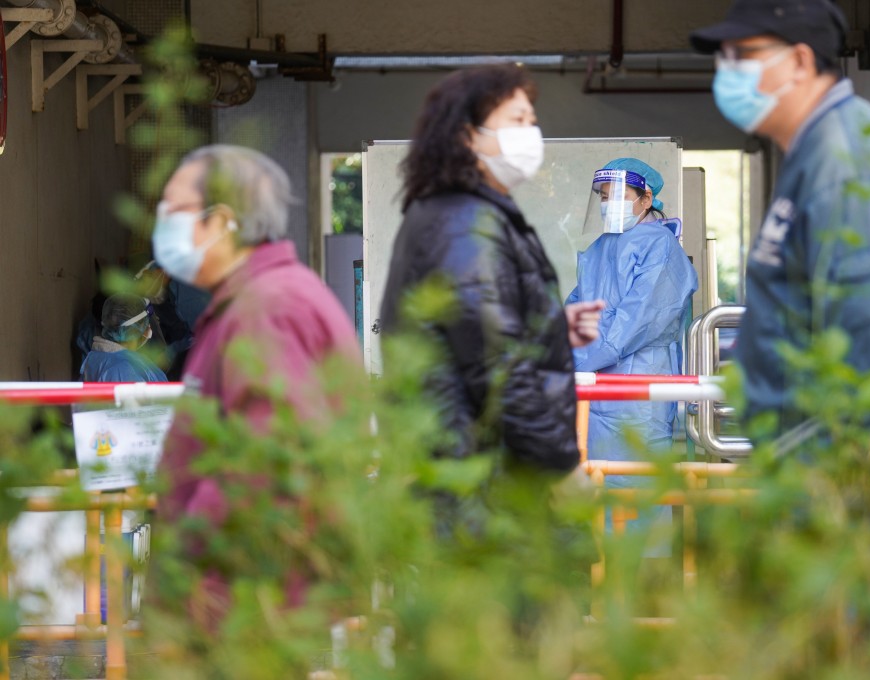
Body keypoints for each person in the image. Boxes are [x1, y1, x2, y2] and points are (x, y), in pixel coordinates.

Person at [689, 0, 870, 440]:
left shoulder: (847, 162)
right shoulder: (815, 153)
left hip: (845, 464)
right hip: (808, 455)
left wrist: (848, 475)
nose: (726, 70)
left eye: (742, 54)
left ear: (800, 61)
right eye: (723, 57)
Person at [152, 144, 359, 627]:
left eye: (174, 210)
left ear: (223, 221)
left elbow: (264, 463)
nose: (162, 223)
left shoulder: (266, 308)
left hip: (241, 604)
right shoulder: (256, 300)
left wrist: (197, 581)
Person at [380, 65, 605, 484]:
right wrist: (560, 468)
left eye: (532, 121)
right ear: (468, 136)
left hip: (469, 470)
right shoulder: (465, 225)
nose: (530, 134)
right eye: (517, 120)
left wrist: (548, 329)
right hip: (478, 479)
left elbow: (477, 334)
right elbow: (500, 372)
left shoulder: (460, 213)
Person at [566, 158, 698, 554]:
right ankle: (600, 580)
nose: (609, 205)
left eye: (618, 196)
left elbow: (633, 323)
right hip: (596, 395)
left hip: (638, 391)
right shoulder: (599, 249)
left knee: (637, 490)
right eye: (605, 198)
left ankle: (647, 585)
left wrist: (573, 362)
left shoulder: (661, 248)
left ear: (646, 198)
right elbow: (575, 312)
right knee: (597, 488)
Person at [80, 293, 168, 383]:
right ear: (133, 330)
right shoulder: (121, 370)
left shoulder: (104, 357)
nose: (149, 327)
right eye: (146, 323)